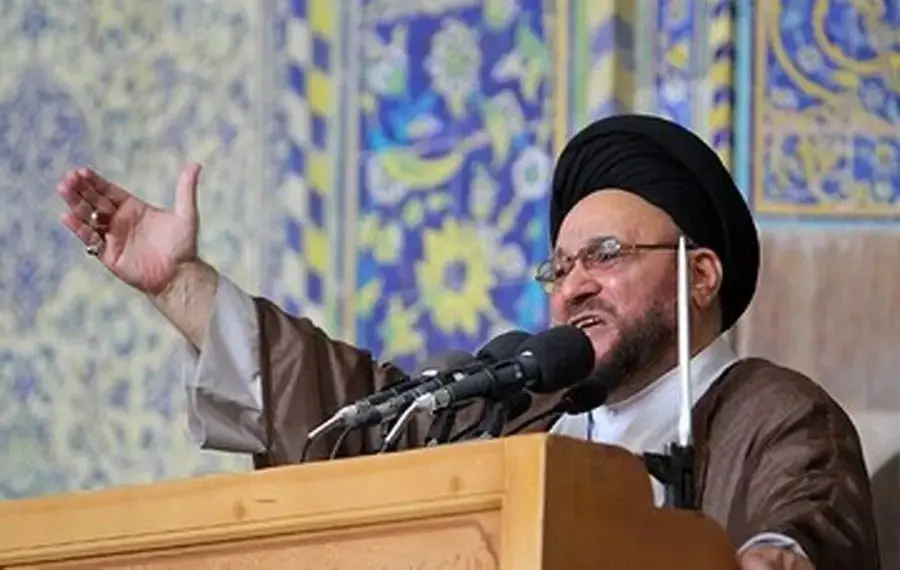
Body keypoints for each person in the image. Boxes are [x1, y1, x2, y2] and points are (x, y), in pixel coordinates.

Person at [56, 114, 879, 569]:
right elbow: (353, 422)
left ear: (700, 275)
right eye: (558, 266)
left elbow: (806, 529)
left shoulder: (776, 413)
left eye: (605, 255)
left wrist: (773, 556)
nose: (573, 285)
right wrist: (180, 284)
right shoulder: (523, 409)